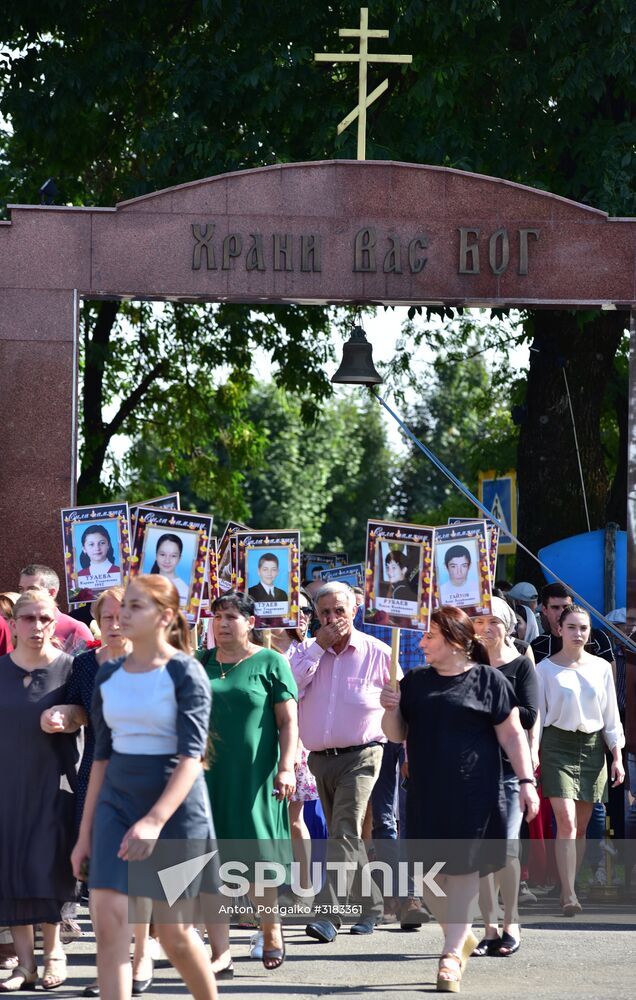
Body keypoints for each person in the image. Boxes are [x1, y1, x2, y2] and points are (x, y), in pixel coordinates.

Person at [71, 575, 219, 1000]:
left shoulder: (186, 672)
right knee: (111, 927)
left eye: (136, 607)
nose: (122, 617)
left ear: (165, 617)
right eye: (120, 609)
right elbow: (100, 757)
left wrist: (155, 820)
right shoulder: (108, 674)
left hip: (177, 811)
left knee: (173, 936)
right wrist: (84, 838)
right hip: (116, 803)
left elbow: (193, 757)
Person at [380, 606, 539, 993]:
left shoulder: (490, 681)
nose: (421, 643)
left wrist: (526, 781)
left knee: (465, 871)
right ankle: (460, 935)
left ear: (453, 640)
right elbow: (396, 734)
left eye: (430, 636)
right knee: (430, 876)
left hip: (475, 792)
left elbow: (513, 736)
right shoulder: (415, 682)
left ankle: (451, 953)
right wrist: (390, 707)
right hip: (424, 792)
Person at [51, 587, 157, 997]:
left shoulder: (152, 663)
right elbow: (77, 710)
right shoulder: (84, 665)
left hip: (144, 775)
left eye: (122, 615)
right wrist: (64, 714)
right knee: (99, 881)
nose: (115, 623)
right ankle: (110, 965)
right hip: (96, 774)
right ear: (97, 620)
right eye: (106, 616)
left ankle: (142, 954)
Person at [290, 582, 400, 942]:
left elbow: (400, 710)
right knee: (346, 836)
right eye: (325, 612)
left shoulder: (379, 652)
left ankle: (328, 914)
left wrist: (394, 701)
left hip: (364, 753)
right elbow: (288, 689)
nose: (332, 619)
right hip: (319, 758)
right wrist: (317, 647)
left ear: (354, 611)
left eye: (339, 611)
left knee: (343, 830)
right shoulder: (306, 650)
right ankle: (371, 905)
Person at [200, 591, 298, 975]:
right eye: (217, 616)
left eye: (231, 617)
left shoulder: (271, 662)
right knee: (212, 859)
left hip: (255, 776)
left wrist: (286, 767)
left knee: (258, 855)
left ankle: (270, 928)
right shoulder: (200, 661)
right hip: (207, 776)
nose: (222, 623)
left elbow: (288, 721)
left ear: (250, 622)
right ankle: (220, 950)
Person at [0, 588, 87, 992]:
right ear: (14, 623)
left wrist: (69, 715)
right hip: (7, 785)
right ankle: (24, 965)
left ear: (56, 622)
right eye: (29, 618)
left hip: (56, 783)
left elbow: (89, 714)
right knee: (12, 866)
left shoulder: (72, 669)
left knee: (48, 866)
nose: (38, 626)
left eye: (45, 618)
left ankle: (54, 953)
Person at [537, 604, 624, 916]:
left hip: (592, 747)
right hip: (556, 745)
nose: (578, 633)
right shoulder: (544, 669)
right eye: (571, 627)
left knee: (583, 827)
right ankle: (569, 893)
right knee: (566, 821)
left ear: (590, 632)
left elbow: (611, 716)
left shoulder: (601, 667)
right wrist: (534, 754)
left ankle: (570, 881)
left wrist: (617, 756)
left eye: (583, 628)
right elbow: (538, 718)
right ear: (559, 629)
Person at [471, 598, 539, 957]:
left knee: (507, 849)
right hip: (473, 768)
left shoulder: (520, 667)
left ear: (508, 626)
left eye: (494, 620)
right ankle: (489, 927)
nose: (486, 627)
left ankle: (512, 922)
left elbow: (528, 715)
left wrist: (494, 701)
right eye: (480, 620)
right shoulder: (466, 665)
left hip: (510, 768)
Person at [269, 593, 319, 894]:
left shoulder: (307, 649)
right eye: (294, 607)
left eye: (305, 610)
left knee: (294, 819)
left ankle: (304, 886)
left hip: (294, 746)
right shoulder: (255, 649)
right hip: (259, 743)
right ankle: (263, 887)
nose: (300, 614)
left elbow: (294, 683)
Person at [531, 583, 614, 667]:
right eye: (555, 607)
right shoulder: (537, 646)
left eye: (566, 606)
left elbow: (610, 676)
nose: (561, 612)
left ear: (573, 606)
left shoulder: (596, 638)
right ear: (544, 610)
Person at [18, 564, 93, 652]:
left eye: (32, 589)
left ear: (51, 593)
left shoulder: (75, 629)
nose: (24, 594)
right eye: (21, 589)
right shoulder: (16, 625)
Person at [150, 534, 189, 604]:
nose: (167, 560)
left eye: (173, 556)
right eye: (162, 554)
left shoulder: (185, 591)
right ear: (156, 555)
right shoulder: (144, 583)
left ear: (179, 558)